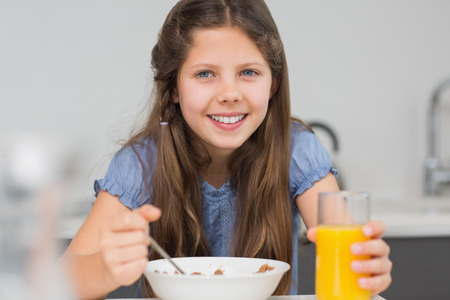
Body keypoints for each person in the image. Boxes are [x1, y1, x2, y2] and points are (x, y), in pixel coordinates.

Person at [64, 0, 392, 298]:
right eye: (205, 74)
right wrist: (106, 267)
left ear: (273, 83)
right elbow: (60, 285)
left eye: (248, 72)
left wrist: (365, 268)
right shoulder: (142, 164)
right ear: (173, 88)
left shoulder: (297, 151)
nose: (229, 93)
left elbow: (350, 261)